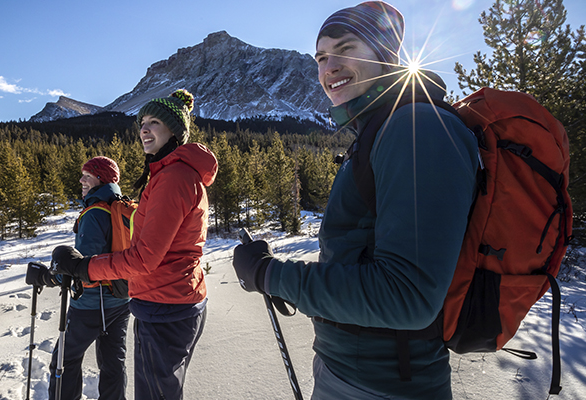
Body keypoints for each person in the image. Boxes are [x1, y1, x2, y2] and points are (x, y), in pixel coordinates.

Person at [232, 2, 480, 399]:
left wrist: (269, 275)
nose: (329, 66)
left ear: (384, 55)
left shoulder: (417, 129)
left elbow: (408, 296)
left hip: (383, 386)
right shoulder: (379, 130)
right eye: (321, 57)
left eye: (345, 48)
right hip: (347, 370)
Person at [47, 89, 218, 400]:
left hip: (164, 305)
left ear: (175, 131)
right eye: (142, 122)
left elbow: (144, 259)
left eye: (154, 122)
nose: (144, 129)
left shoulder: (173, 179)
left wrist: (82, 267)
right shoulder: (174, 175)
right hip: (170, 298)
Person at [26, 156, 131, 400]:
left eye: (88, 175)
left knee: (65, 360)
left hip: (91, 304)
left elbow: (84, 268)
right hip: (121, 299)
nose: (81, 179)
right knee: (114, 363)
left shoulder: (95, 213)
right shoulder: (121, 206)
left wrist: (46, 276)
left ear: (101, 179)